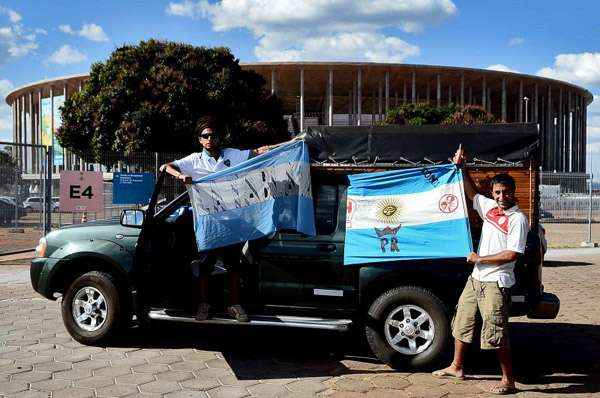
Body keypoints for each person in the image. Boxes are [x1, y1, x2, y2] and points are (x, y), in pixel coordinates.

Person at [432, 146, 529, 395]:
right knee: (462, 321)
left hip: (496, 282)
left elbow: (511, 254)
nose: (501, 196)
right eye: (497, 192)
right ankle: (456, 367)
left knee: (496, 331)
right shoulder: (490, 209)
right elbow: (471, 193)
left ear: (513, 192)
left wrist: (479, 258)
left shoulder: (518, 219)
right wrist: (461, 166)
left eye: (505, 192)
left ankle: (508, 381)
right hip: (476, 279)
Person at [161, 116, 278, 322]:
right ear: (200, 140)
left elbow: (258, 152)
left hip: (234, 220)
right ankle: (204, 305)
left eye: (213, 135)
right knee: (206, 265)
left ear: (219, 137)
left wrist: (285, 145)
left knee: (234, 265)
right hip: (209, 222)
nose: (210, 139)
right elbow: (165, 166)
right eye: (205, 136)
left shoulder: (232, 155)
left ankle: (235, 305)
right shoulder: (194, 161)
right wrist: (181, 177)